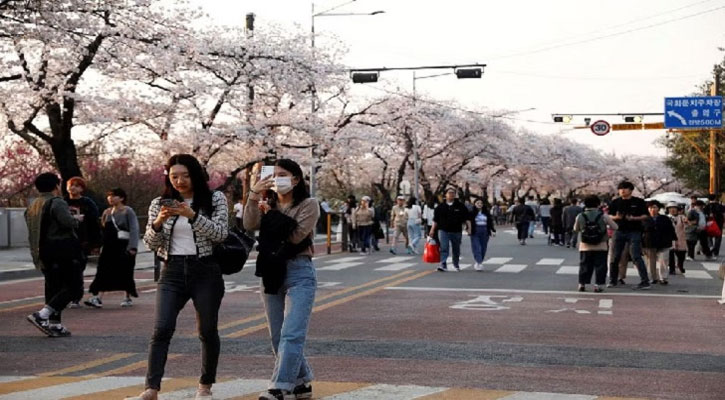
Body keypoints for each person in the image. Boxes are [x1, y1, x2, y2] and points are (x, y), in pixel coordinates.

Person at [126, 154, 228, 400]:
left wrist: (191, 215)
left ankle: (205, 386)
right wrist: (160, 221)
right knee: (161, 329)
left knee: (207, 330)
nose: (180, 181)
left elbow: (220, 234)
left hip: (205, 271)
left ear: (196, 175)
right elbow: (151, 242)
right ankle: (152, 388)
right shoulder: (159, 202)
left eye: (185, 175)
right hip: (171, 271)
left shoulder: (215, 199)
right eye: (174, 177)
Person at [244, 159, 319, 400]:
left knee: (292, 333)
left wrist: (271, 216)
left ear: (296, 179)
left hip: (299, 270)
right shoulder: (266, 202)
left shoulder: (309, 204)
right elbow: (249, 224)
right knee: (277, 334)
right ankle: (301, 381)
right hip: (270, 269)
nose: (277, 178)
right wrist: (254, 195)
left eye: (283, 174)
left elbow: (296, 237)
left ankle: (280, 386)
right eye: (273, 174)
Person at [25, 172, 83, 338]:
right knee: (74, 287)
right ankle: (42, 315)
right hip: (62, 249)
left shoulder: (33, 205)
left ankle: (54, 323)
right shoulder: (56, 202)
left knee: (53, 287)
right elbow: (67, 222)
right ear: (56, 186)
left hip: (42, 251)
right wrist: (76, 219)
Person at [84, 188, 140, 308]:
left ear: (121, 198)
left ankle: (127, 296)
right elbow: (103, 230)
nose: (110, 198)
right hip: (109, 246)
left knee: (125, 270)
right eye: (109, 196)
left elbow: (134, 229)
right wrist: (98, 245)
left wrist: (133, 247)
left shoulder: (128, 211)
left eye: (114, 196)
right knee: (103, 270)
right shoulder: (107, 212)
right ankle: (98, 297)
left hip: (123, 245)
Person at [64, 176, 101, 308]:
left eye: (76, 185)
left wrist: (96, 243)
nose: (73, 188)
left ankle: (75, 297)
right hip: (65, 240)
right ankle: (65, 296)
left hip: (82, 241)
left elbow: (94, 223)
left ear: (81, 189)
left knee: (77, 269)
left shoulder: (88, 203)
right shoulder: (62, 202)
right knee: (65, 270)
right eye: (71, 185)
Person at [608, 181, 651, 290]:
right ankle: (613, 280)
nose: (622, 191)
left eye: (625, 188)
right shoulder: (615, 202)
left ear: (631, 190)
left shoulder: (639, 202)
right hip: (619, 230)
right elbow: (608, 216)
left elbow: (646, 216)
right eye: (620, 189)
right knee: (615, 256)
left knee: (636, 256)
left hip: (634, 231)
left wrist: (634, 218)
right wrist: (616, 218)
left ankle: (645, 281)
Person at [574, 195, 617, 292]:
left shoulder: (580, 216)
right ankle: (598, 285)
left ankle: (582, 284)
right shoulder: (603, 215)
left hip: (585, 246)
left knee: (584, 265)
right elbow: (615, 227)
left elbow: (575, 229)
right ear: (598, 204)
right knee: (600, 265)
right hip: (601, 245)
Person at [429, 188, 469, 271]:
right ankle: (443, 263)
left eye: (453, 193)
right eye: (449, 193)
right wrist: (432, 230)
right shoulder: (440, 207)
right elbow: (435, 220)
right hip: (443, 230)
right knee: (444, 247)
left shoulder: (460, 206)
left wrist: (468, 227)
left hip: (456, 230)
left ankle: (456, 264)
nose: (451, 194)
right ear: (445, 195)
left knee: (456, 248)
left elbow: (466, 218)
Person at [642, 201, 676, 285]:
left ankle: (663, 278)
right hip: (649, 243)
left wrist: (674, 240)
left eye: (654, 207)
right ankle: (653, 277)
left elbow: (671, 230)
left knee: (664, 260)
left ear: (658, 208)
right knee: (651, 262)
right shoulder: (644, 219)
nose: (652, 210)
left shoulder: (665, 218)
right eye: (650, 208)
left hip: (664, 242)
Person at [467, 199, 496, 271]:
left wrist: (493, 230)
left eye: (481, 203)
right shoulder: (471, 213)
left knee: (483, 247)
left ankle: (479, 261)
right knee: (477, 247)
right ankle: (479, 262)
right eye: (478, 203)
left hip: (485, 231)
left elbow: (490, 222)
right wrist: (469, 229)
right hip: (475, 231)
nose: (479, 204)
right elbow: (468, 221)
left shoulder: (486, 213)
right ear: (474, 204)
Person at [667, 202, 687, 275]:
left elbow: (686, 226)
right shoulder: (666, 218)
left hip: (680, 239)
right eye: (670, 208)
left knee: (681, 255)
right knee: (670, 255)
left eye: (674, 208)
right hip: (670, 239)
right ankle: (671, 269)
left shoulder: (682, 217)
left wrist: (686, 223)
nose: (672, 210)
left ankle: (680, 266)